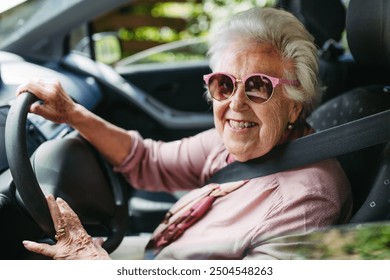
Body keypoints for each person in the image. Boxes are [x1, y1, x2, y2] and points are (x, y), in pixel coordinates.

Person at [18, 7, 352, 260]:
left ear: (296, 105)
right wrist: (72, 113)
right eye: (225, 84)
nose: (236, 103)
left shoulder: (305, 204)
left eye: (259, 87)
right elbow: (149, 160)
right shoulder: (238, 144)